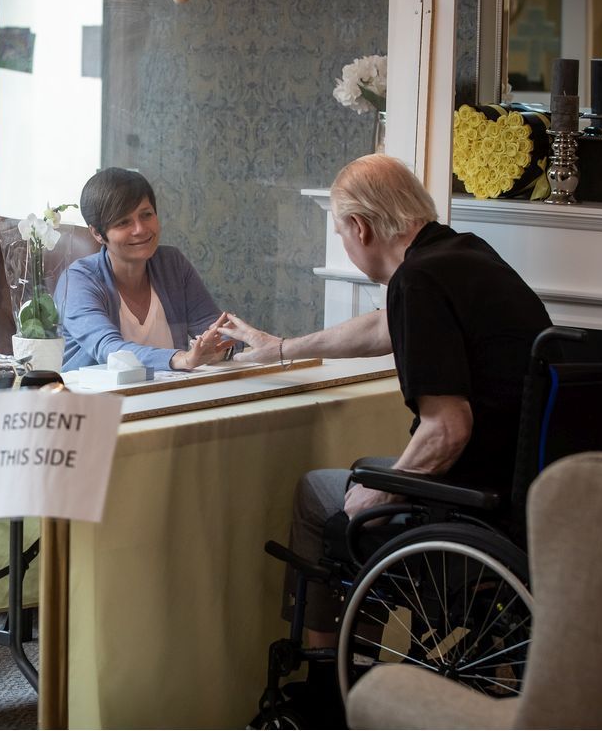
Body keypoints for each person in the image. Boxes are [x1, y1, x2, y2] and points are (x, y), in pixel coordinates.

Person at [219, 153, 551, 661]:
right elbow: (383, 327)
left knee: (322, 498)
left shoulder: (418, 281)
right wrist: (284, 347)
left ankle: (329, 687)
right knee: (362, 493)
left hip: (469, 506)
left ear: (359, 227)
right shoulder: (463, 255)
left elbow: (448, 430)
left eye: (341, 233)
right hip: (523, 499)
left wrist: (380, 493)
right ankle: (362, 671)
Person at [56, 167, 232, 371]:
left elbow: (216, 327)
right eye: (123, 222)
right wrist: (182, 359)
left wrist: (218, 349)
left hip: (166, 397)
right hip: (96, 399)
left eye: (146, 215)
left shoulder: (172, 264)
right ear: (97, 233)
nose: (140, 229)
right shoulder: (78, 280)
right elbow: (110, 350)